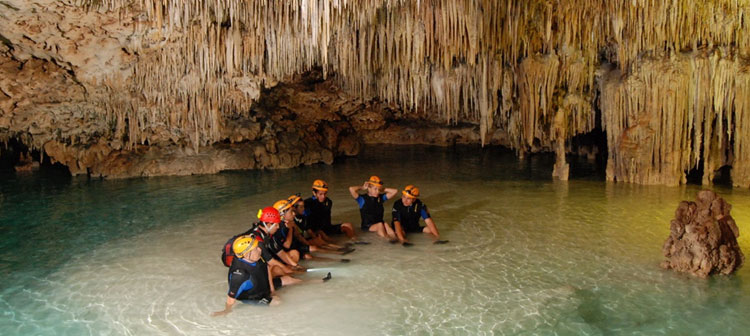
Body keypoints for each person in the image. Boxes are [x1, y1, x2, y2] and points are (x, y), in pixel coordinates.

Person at [211, 235, 300, 315]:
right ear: (246, 255)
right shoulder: (240, 275)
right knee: (277, 302)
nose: (260, 249)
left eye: (257, 246)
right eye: (256, 249)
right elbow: (231, 298)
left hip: (262, 286)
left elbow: (267, 268)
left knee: (288, 279)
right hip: (253, 297)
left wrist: (272, 291)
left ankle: (312, 281)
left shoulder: (256, 256)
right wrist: (226, 311)